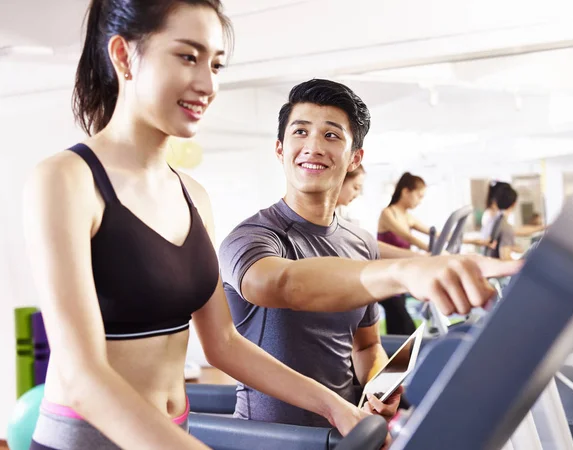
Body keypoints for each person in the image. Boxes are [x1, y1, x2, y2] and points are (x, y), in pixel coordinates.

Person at [23, 4, 369, 450]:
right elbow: (82, 375)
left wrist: (333, 406)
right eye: (188, 57)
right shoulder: (66, 179)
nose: (208, 84)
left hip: (174, 434)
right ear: (125, 57)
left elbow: (223, 342)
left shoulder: (193, 195)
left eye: (216, 64)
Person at [219, 79, 522, 429]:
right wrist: (402, 272)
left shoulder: (360, 242)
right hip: (276, 440)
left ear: (354, 158)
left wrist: (379, 385)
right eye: (300, 132)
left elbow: (366, 347)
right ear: (279, 149)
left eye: (331, 135)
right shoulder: (252, 237)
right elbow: (279, 284)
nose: (313, 146)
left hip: (349, 429)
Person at [377, 173, 432, 252]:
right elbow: (408, 237)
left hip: (404, 262)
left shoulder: (408, 217)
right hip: (389, 263)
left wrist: (451, 236)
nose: (420, 202)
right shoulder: (387, 213)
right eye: (419, 196)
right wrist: (431, 249)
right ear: (405, 192)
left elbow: (432, 232)